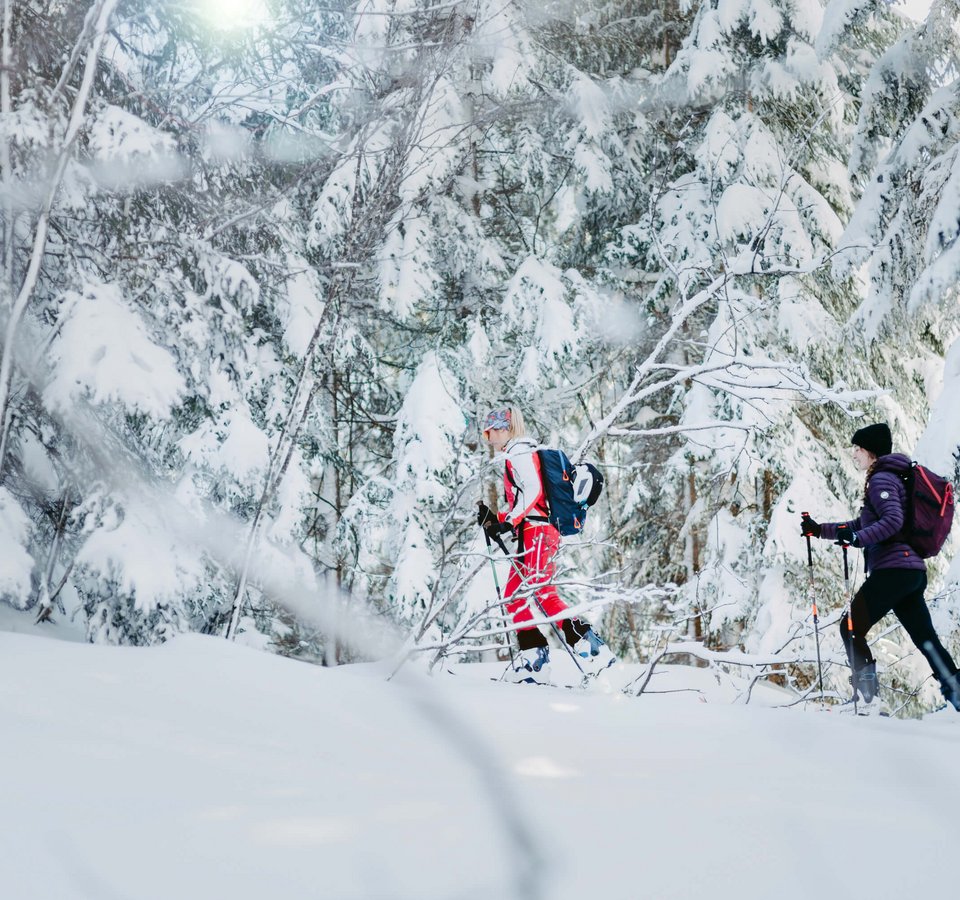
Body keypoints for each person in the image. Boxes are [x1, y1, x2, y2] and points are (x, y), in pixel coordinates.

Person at [801, 422, 960, 710]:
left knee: (850, 627)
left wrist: (858, 538)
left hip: (894, 571)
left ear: (870, 451)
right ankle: (957, 695)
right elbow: (859, 525)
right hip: (910, 573)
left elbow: (891, 522)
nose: (854, 455)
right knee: (926, 639)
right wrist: (819, 529)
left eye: (857, 449)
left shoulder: (881, 480)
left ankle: (868, 701)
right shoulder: (889, 479)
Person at [477, 405, 614, 683]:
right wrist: (497, 519)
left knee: (543, 593)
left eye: (490, 431)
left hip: (538, 531)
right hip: (534, 530)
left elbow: (533, 493)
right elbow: (527, 500)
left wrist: (509, 520)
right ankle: (534, 661)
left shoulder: (519, 453)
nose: (488, 438)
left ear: (504, 429)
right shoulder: (518, 453)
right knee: (515, 597)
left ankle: (590, 645)